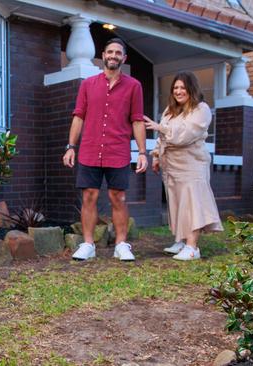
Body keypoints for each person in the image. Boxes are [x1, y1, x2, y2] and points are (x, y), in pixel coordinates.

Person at [63, 37, 148, 262]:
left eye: (118, 53)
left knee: (117, 197)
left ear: (124, 58)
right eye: (110, 52)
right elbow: (78, 117)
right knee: (89, 196)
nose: (113, 56)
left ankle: (121, 244)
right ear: (103, 55)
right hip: (89, 150)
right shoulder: (88, 85)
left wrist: (141, 152)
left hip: (118, 151)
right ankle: (88, 244)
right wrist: (71, 147)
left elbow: (137, 120)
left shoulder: (134, 86)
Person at [144, 71, 223, 260]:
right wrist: (156, 156)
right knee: (177, 204)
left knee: (192, 203)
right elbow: (162, 137)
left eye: (182, 87)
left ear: (191, 89)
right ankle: (181, 241)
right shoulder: (170, 111)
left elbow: (187, 134)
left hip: (192, 164)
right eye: (175, 88)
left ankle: (192, 247)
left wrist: (161, 127)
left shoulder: (201, 109)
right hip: (172, 166)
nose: (178, 91)